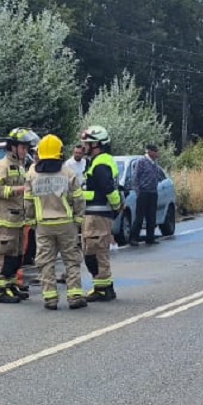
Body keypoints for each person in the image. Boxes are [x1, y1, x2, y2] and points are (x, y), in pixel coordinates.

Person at [24, 134, 88, 310]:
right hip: (66, 223)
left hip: (43, 225)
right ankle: (75, 295)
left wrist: (31, 221)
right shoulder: (67, 172)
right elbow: (78, 198)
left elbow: (28, 201)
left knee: (45, 261)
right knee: (71, 260)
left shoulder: (32, 173)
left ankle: (50, 298)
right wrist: (78, 218)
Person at [0, 127, 36, 304]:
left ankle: (10, 285)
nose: (26, 151)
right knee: (4, 255)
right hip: (5, 220)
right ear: (13, 147)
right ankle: (1, 290)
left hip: (18, 220)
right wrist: (17, 190)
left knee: (15, 256)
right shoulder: (3, 166)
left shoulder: (20, 166)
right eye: (23, 148)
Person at [80, 125, 122, 301]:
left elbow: (107, 189)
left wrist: (80, 194)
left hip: (98, 215)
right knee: (93, 250)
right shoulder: (99, 161)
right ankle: (102, 287)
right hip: (95, 214)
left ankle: (104, 289)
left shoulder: (101, 163)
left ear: (96, 144)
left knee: (97, 251)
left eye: (87, 143)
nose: (84, 146)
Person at [130, 143, 166, 245]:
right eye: (155, 151)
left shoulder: (154, 163)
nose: (157, 154)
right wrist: (138, 191)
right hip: (143, 193)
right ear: (150, 152)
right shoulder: (141, 162)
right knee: (139, 217)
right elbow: (135, 177)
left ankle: (150, 238)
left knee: (151, 217)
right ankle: (133, 238)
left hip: (153, 192)